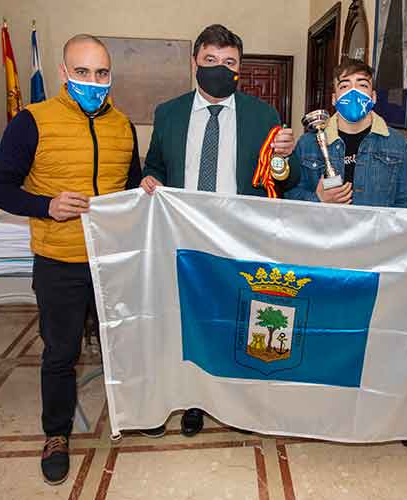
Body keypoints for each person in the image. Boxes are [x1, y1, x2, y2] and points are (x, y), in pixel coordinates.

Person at [0, 34, 142, 485]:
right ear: (63, 73)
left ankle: (133, 412)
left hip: (112, 259)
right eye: (83, 72)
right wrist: (45, 205)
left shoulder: (123, 125)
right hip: (60, 260)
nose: (94, 82)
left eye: (102, 74)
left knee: (122, 343)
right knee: (60, 352)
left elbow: (130, 187)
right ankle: (56, 434)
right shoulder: (31, 121)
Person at [141, 24, 301, 438]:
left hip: (241, 239)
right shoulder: (169, 113)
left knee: (241, 319)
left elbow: (286, 179)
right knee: (194, 320)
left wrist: (285, 156)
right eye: (210, 60)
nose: (218, 68)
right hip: (185, 238)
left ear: (240, 68)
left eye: (228, 62)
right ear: (194, 62)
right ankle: (196, 399)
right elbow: (154, 165)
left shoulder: (263, 114)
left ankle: (241, 402)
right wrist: (150, 181)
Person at [285, 58, 407, 207]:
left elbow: (404, 205)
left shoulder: (398, 145)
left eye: (362, 85)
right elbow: (290, 194)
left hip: (374, 230)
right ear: (334, 99)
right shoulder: (308, 143)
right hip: (325, 229)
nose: (354, 91)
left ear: (373, 97)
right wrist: (318, 198)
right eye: (345, 85)